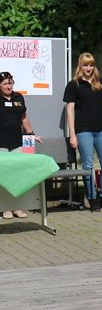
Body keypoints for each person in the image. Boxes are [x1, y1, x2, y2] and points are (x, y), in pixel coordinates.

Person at [64, 53, 102, 212]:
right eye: (85, 65)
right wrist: (72, 134)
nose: (88, 68)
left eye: (91, 65)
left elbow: (100, 106)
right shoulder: (74, 85)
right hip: (83, 130)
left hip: (101, 129)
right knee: (88, 165)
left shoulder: (100, 83)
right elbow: (70, 110)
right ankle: (92, 198)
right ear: (80, 66)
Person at [0, 71, 42, 219]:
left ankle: (17, 207)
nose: (8, 86)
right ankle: (5, 208)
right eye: (5, 84)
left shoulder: (18, 97)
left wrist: (32, 134)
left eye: (10, 83)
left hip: (17, 141)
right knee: (4, 175)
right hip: (1, 143)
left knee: (17, 174)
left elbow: (24, 118)